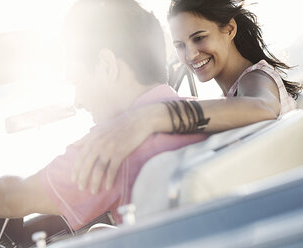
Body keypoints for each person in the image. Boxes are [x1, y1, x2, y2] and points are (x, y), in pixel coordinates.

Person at [0, 0, 208, 230]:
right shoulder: (209, 115)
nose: (78, 101)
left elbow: (11, 197)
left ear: (106, 65)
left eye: (77, 81)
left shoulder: (112, 146)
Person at [72, 0, 303, 193]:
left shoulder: (255, 77)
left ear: (230, 29)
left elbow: (263, 107)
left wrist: (154, 116)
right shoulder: (237, 89)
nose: (190, 54)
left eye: (199, 38)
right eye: (180, 45)